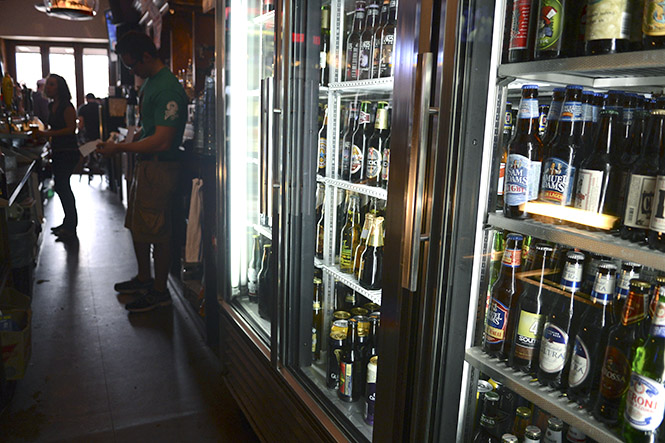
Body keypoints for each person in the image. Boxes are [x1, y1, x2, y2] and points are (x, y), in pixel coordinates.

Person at [97, 31, 187, 313]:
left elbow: (162, 139)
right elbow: (147, 130)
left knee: (158, 231)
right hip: (148, 166)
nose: (132, 70)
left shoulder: (167, 88)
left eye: (133, 64)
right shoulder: (151, 82)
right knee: (139, 226)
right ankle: (144, 278)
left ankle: (160, 292)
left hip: (161, 168)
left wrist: (122, 149)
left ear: (146, 56)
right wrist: (125, 143)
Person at [33, 74, 80, 239]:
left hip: (68, 151)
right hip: (59, 150)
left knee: (63, 186)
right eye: (48, 85)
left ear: (60, 87)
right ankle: (68, 223)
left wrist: (48, 133)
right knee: (61, 187)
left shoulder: (67, 106)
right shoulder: (53, 105)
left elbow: (70, 129)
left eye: (52, 84)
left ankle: (71, 226)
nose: (49, 87)